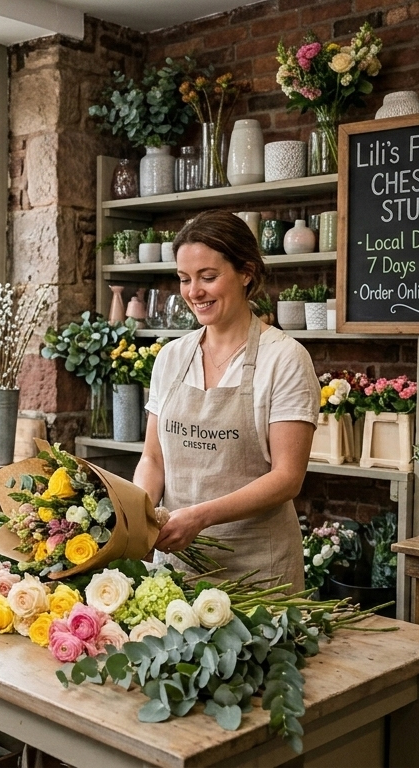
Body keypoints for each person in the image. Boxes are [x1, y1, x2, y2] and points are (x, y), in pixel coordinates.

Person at [135, 210, 319, 588]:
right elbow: (153, 458)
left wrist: (198, 517)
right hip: (175, 566)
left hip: (257, 573)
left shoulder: (283, 358)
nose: (193, 292)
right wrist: (136, 514)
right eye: (185, 279)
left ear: (246, 272)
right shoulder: (171, 357)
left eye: (208, 277)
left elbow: (287, 478)